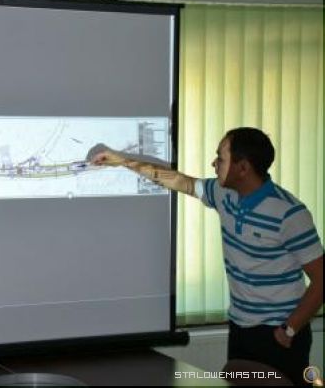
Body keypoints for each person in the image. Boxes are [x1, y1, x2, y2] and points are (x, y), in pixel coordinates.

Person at [88, 127, 323, 386]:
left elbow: (321, 280)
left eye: (220, 158)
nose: (214, 163)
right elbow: (180, 181)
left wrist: (289, 329)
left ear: (243, 168)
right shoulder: (224, 194)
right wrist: (123, 161)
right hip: (241, 330)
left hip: (279, 334)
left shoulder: (289, 214)